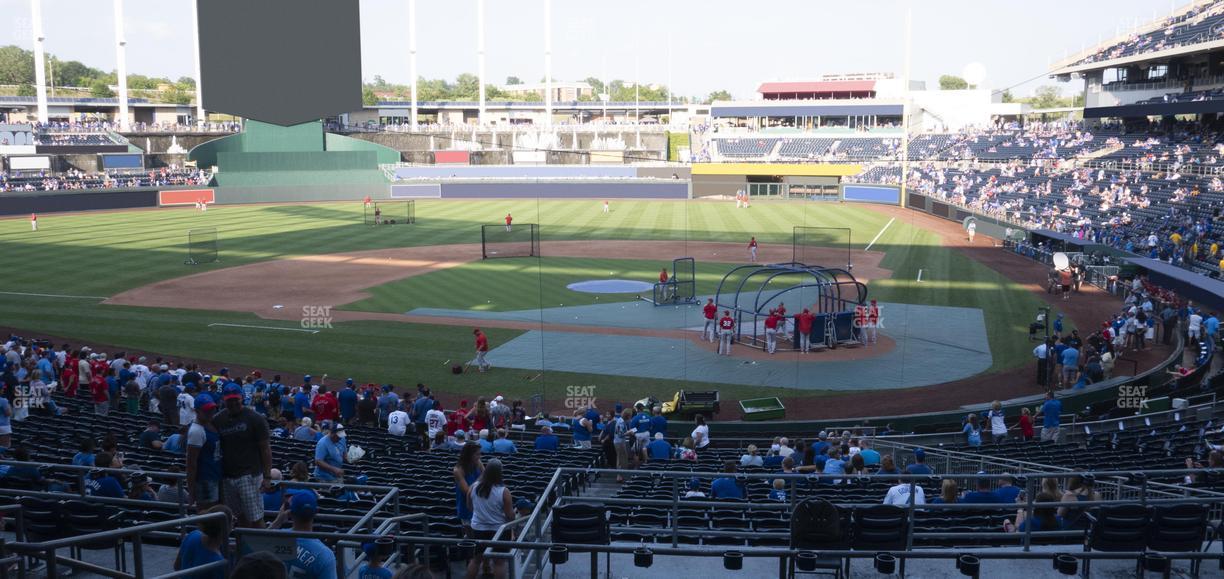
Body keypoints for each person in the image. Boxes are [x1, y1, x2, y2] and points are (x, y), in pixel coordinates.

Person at [214, 383, 273, 529]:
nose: (233, 403)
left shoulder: (255, 418)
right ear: (224, 400)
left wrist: (267, 477)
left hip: (250, 475)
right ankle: (246, 550)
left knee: (256, 519)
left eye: (236, 399)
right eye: (229, 400)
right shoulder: (218, 419)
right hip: (228, 477)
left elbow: (265, 449)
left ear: (242, 398)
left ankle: (263, 548)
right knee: (239, 518)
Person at [272, 492, 338, 579]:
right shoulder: (325, 555)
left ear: (290, 513)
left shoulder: (274, 538)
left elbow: (254, 545)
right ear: (315, 513)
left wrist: (278, 521)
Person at [467, 459, 514, 579]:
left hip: (478, 528)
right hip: (499, 530)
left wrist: (482, 515)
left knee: (476, 559)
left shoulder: (473, 487)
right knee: (499, 562)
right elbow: (510, 516)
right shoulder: (504, 491)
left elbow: (470, 507)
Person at [174, 504, 233, 579]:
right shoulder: (219, 562)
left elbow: (177, 567)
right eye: (233, 520)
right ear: (227, 527)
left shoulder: (193, 534)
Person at [187, 394, 223, 510]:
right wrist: (191, 491)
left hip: (215, 476)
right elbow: (191, 464)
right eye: (206, 410)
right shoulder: (196, 431)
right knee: (208, 517)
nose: (211, 412)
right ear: (197, 411)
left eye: (212, 409)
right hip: (205, 481)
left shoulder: (209, 423)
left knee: (216, 515)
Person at [454, 443, 484, 537]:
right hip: (466, 503)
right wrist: (480, 480)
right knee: (470, 533)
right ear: (469, 455)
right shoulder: (458, 470)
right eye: (477, 454)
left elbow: (486, 474)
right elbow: (467, 491)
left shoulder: (478, 462)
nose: (479, 456)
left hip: (479, 501)